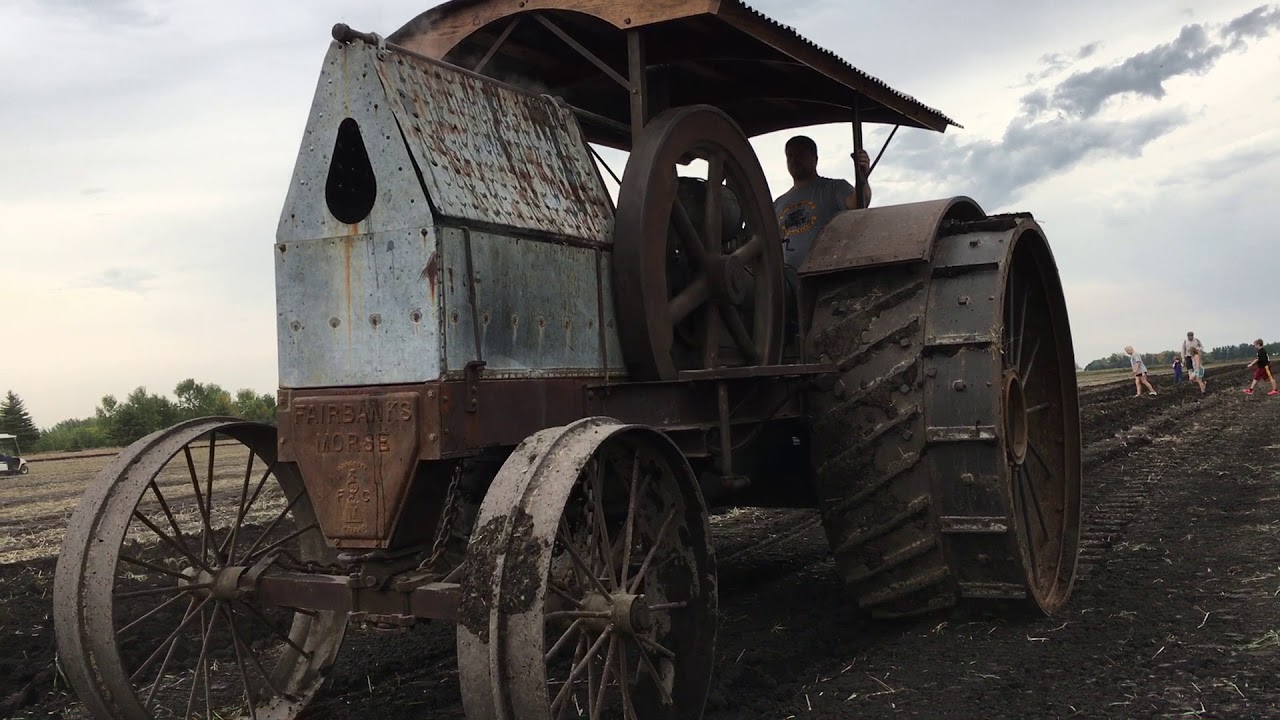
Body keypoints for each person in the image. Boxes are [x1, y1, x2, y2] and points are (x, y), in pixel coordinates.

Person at [773, 135, 872, 269]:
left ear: (815, 159)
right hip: (787, 282)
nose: (794, 160)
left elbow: (859, 204)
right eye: (790, 156)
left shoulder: (834, 188)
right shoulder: (778, 204)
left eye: (800, 154)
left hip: (826, 277)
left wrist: (862, 178)